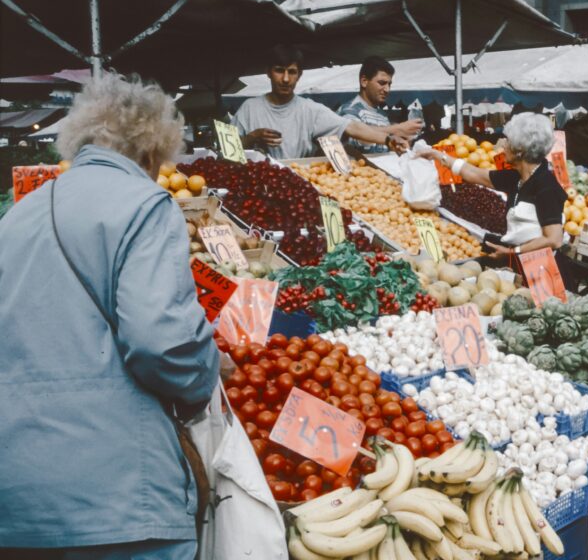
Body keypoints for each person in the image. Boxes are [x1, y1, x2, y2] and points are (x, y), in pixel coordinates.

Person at [0, 72, 220, 559]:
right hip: (117, 498)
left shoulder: (17, 216)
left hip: (16, 500)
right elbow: (162, 341)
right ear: (152, 150)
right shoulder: (147, 204)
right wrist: (203, 380)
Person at [418, 112, 573, 281]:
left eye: (508, 141)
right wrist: (438, 155)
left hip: (544, 273)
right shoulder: (517, 178)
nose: (503, 146)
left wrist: (513, 252)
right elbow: (474, 174)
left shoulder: (546, 186)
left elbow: (554, 239)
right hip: (521, 266)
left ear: (520, 151)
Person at [233, 46, 421, 159]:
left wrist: (388, 140)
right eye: (279, 70)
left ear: (299, 75)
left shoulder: (310, 109)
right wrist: (253, 137)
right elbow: (227, 150)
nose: (285, 79)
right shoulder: (249, 108)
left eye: (292, 72)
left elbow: (352, 127)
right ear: (268, 72)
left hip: (297, 185)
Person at [338, 56, 419, 153]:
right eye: (382, 83)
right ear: (364, 81)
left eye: (389, 84)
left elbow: (386, 146)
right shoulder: (349, 110)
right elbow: (355, 134)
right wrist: (398, 128)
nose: (387, 89)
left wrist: (402, 142)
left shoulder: (382, 115)